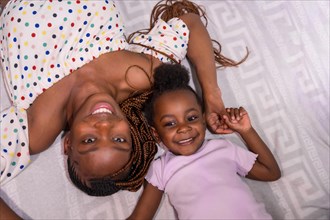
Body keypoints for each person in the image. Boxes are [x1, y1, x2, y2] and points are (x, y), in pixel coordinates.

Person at [0, 0, 247, 218]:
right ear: (132, 132)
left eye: (89, 140)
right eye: (118, 138)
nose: (104, 125)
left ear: (68, 145)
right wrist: (212, 97)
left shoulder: (38, 128)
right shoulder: (139, 74)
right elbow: (190, 24)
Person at [127, 63, 281, 220]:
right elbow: (141, 217)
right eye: (170, 123)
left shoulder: (224, 148)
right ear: (156, 134)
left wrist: (247, 131)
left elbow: (271, 172)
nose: (184, 128)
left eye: (192, 118)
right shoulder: (161, 168)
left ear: (203, 120)